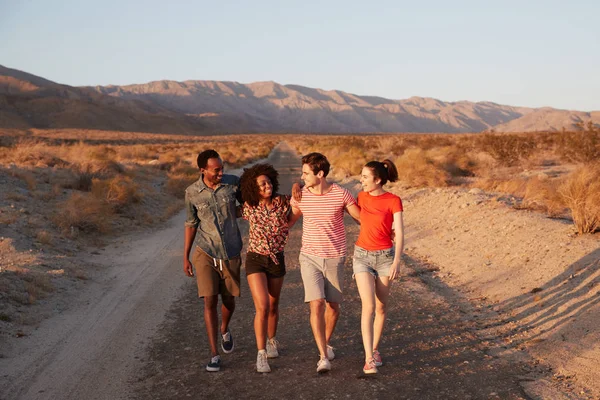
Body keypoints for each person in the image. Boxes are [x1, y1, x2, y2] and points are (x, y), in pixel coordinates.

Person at [289, 152, 360, 373]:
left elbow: (362, 219)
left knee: (333, 307)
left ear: (320, 174)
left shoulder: (341, 194)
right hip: (309, 257)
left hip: (335, 257)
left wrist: (389, 229)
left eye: (305, 173)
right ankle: (322, 356)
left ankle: (325, 343)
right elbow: (287, 223)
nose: (302, 177)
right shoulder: (301, 195)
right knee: (316, 303)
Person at [183, 149, 243, 372]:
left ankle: (224, 329)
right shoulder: (192, 192)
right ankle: (214, 354)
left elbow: (254, 199)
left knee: (229, 301)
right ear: (203, 170)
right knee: (209, 300)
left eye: (222, 168)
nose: (221, 172)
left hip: (231, 251)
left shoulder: (233, 184)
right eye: (216, 170)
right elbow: (191, 224)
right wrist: (186, 257)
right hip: (205, 252)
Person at [240, 163, 295, 373]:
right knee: (262, 306)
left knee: (273, 305)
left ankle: (272, 341)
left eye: (269, 182)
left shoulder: (283, 204)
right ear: (254, 188)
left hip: (276, 260)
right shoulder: (248, 206)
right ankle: (261, 354)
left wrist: (297, 185)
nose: (267, 186)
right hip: (255, 259)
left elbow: (303, 196)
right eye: (262, 184)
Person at [352, 159, 404, 374]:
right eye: (361, 176)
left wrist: (397, 261)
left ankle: (374, 349)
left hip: (385, 258)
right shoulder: (361, 196)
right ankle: (368, 359)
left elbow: (399, 232)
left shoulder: (394, 200)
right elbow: (360, 218)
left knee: (381, 306)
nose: (361, 180)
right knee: (369, 306)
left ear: (378, 179)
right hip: (362, 256)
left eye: (365, 177)